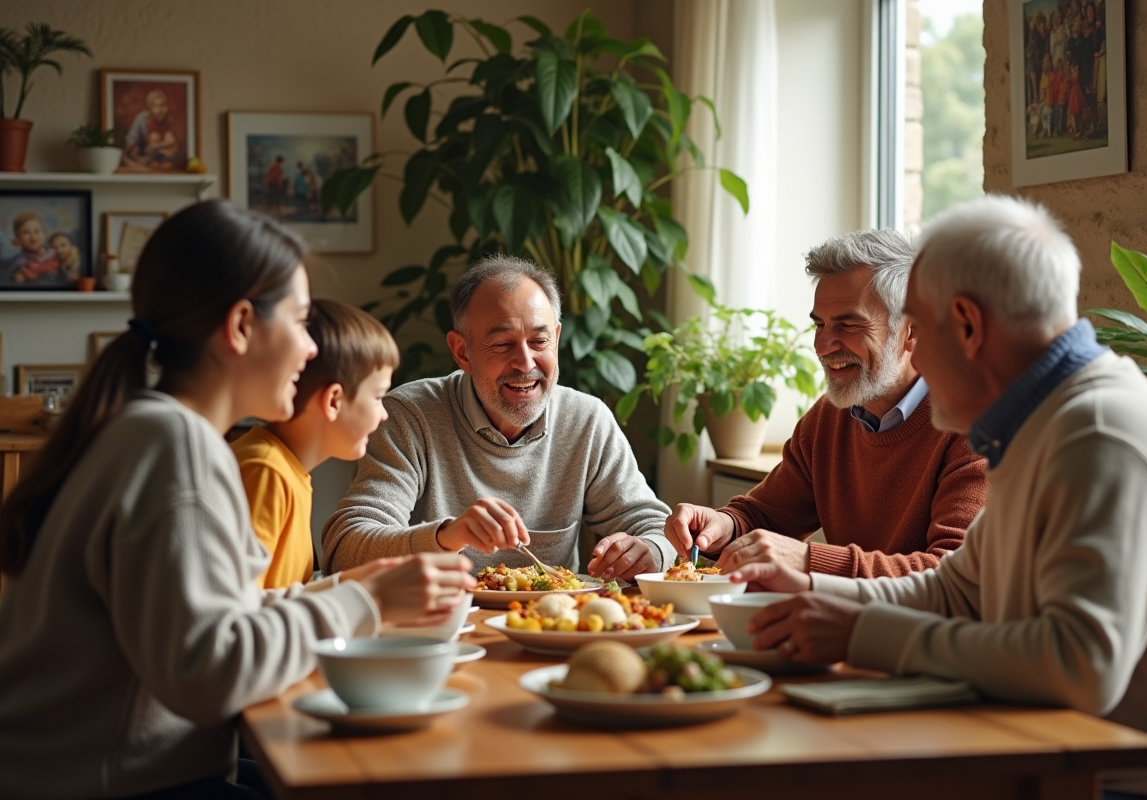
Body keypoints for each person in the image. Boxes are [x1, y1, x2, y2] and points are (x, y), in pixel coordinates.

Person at [0, 199, 475, 799]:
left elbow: (219, 616)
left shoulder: (151, 430)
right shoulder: (178, 449)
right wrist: (365, 598)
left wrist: (347, 588)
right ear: (242, 326)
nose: (309, 350)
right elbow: (210, 671)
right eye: (301, 322)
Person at [734, 195, 1147, 800]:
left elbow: (1078, 667)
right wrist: (820, 592)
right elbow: (959, 588)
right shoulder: (1037, 420)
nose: (915, 355)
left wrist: (858, 632)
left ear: (969, 326)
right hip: (1051, 750)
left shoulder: (1099, 433)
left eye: (920, 331)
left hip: (1139, 782)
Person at [322, 255, 675, 582]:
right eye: (503, 345)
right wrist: (447, 535)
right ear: (462, 351)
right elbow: (345, 548)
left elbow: (656, 526)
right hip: (440, 630)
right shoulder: (410, 417)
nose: (525, 363)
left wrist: (651, 551)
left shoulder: (586, 420)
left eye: (539, 341)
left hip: (554, 628)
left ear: (556, 338)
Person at [664, 229, 987, 580]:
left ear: (912, 331)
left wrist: (809, 560)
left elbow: (955, 576)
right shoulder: (830, 417)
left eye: (848, 324)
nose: (824, 346)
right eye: (819, 324)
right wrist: (722, 525)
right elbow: (766, 516)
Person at [232, 298, 400, 589]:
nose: (384, 414)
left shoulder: (288, 471)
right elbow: (243, 610)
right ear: (334, 400)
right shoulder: (265, 472)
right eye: (377, 397)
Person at [122, 88, 183, 171]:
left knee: (170, 151)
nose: (159, 110)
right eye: (155, 106)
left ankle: (159, 163)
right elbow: (132, 138)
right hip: (144, 151)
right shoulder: (142, 119)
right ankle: (151, 163)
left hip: (160, 151)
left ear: (167, 106)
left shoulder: (169, 120)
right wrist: (128, 151)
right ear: (149, 108)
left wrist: (157, 146)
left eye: (162, 105)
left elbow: (172, 141)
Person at [8, 212, 61, 284]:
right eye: (26, 233)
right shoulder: (20, 264)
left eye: (37, 231)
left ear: (43, 233)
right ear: (18, 238)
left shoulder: (54, 253)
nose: (33, 237)